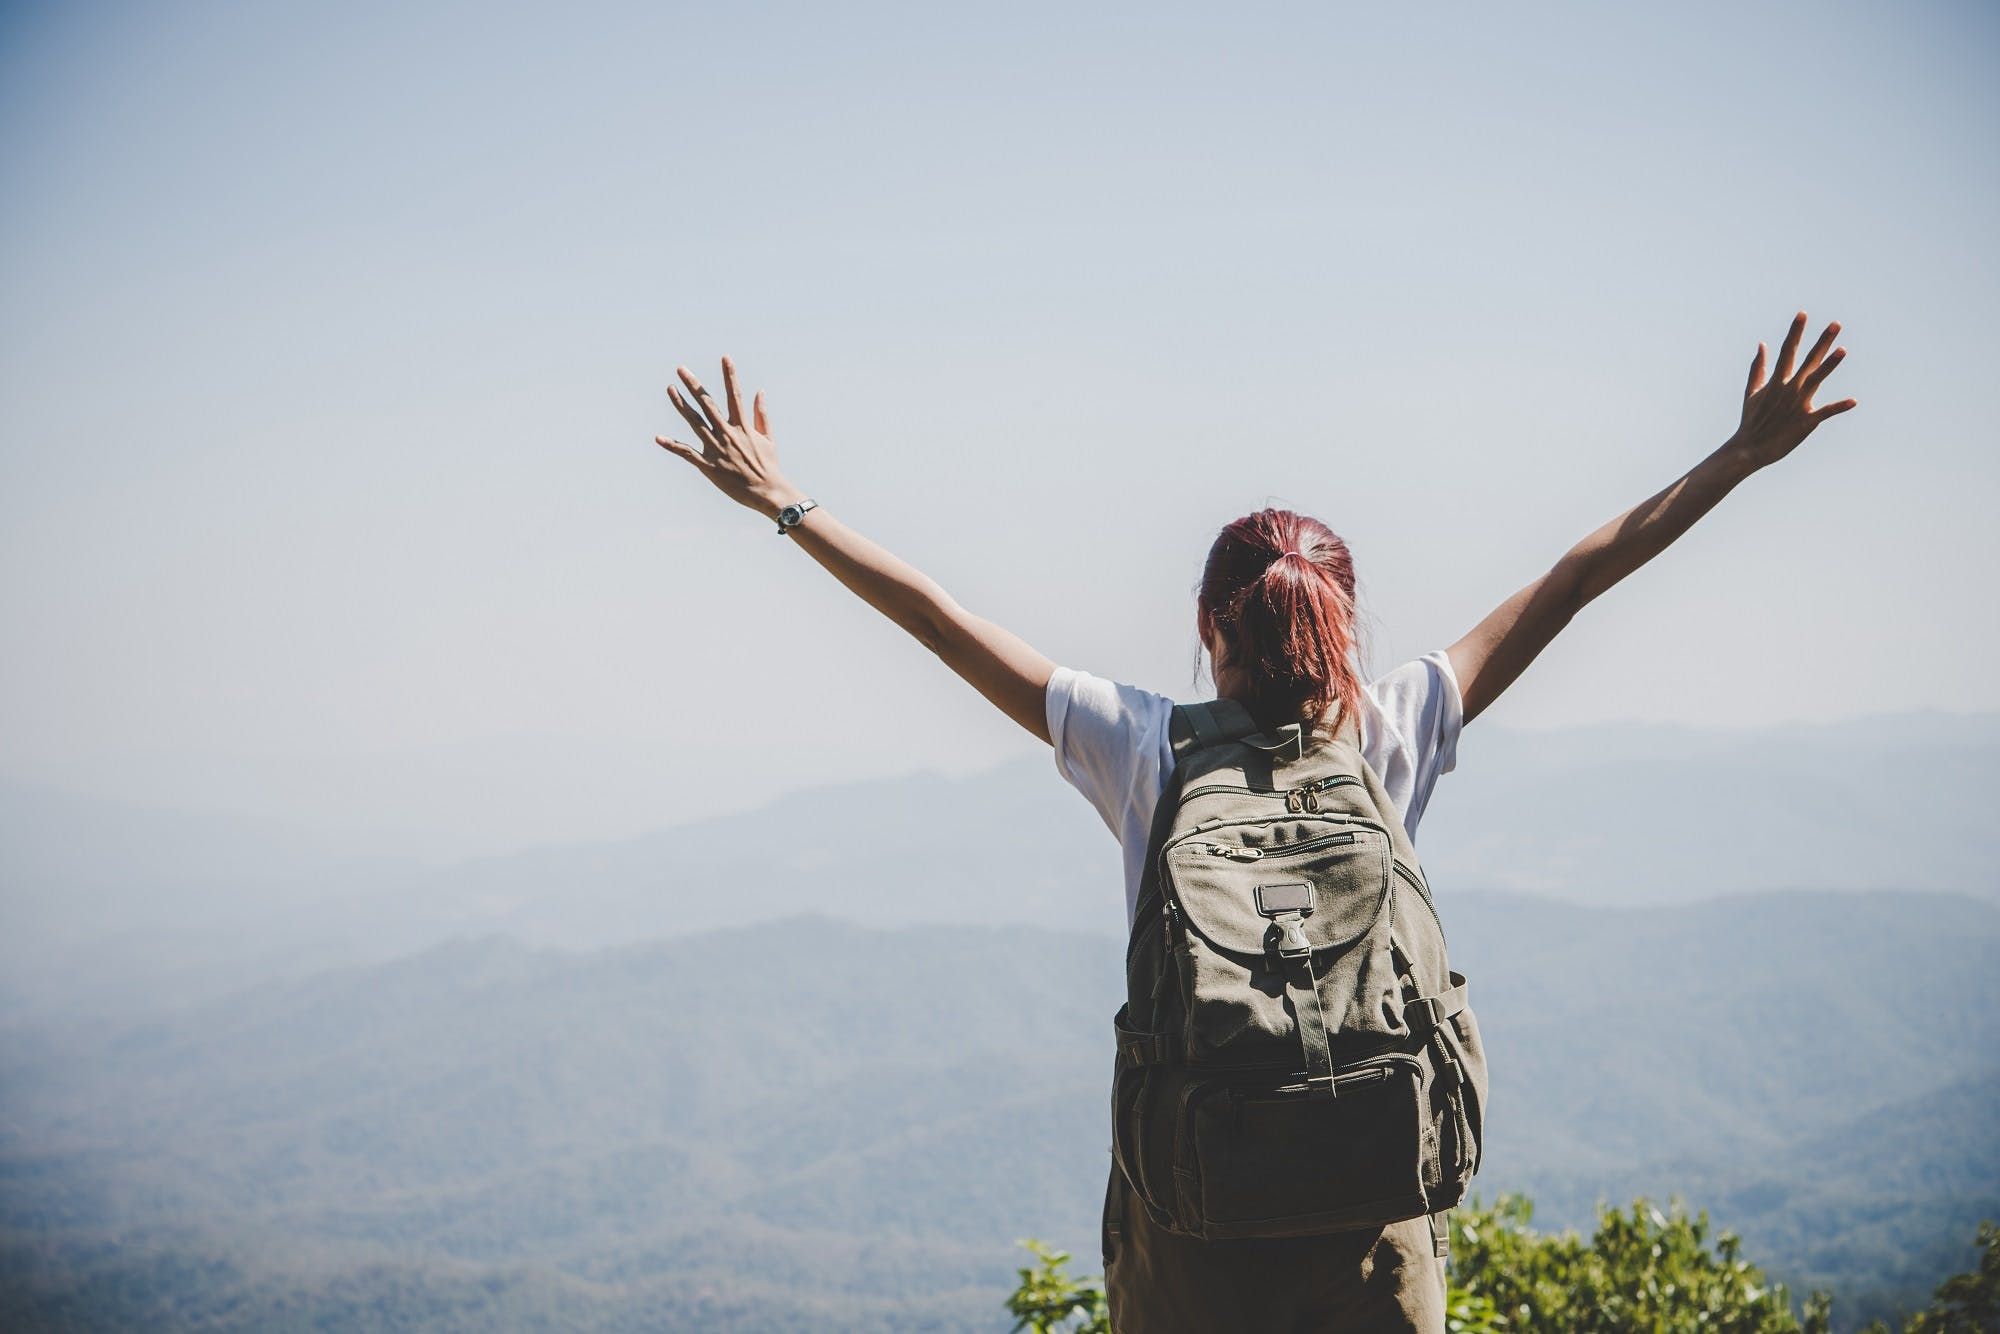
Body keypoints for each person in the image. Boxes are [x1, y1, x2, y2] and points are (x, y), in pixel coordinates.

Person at [654, 312, 1856, 1332]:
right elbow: (1575, 576)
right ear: (1342, 619)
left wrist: (783, 500)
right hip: (1370, 1241)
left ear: (1206, 623)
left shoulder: (1138, 743)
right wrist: (1737, 456)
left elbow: (934, 618)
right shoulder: (1389, 728)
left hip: (1196, 1235)